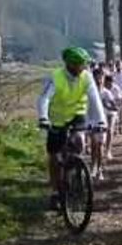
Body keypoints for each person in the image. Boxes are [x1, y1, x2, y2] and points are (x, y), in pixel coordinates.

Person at [37, 47, 108, 209]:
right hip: (56, 118)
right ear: (70, 64)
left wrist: (101, 122)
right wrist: (43, 118)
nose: (83, 68)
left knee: (79, 141)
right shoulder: (55, 77)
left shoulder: (87, 77)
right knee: (54, 156)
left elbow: (95, 100)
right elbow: (44, 99)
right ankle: (55, 191)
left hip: (77, 114)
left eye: (84, 65)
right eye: (80, 65)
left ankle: (76, 174)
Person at [98, 74, 119, 163]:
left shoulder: (111, 91)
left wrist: (107, 105)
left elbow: (115, 106)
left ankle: (108, 151)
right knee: (101, 133)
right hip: (101, 114)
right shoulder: (95, 90)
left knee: (110, 130)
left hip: (111, 113)